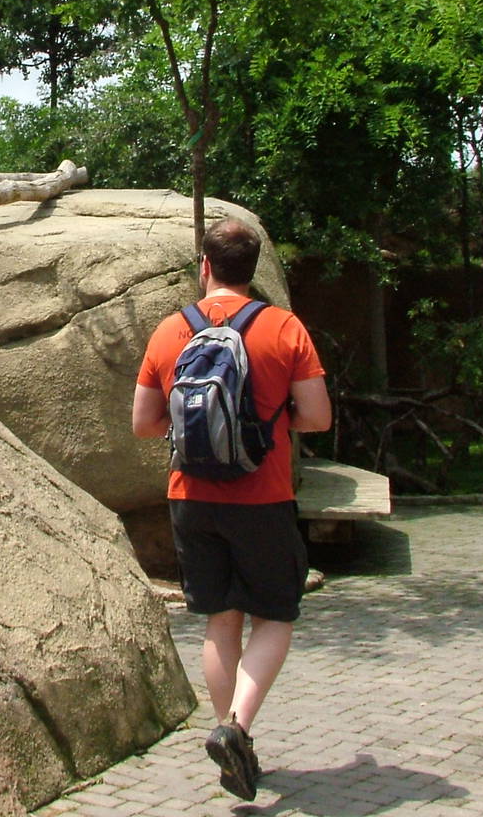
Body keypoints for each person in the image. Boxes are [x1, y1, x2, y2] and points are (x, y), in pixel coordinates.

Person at [131, 218, 331, 801]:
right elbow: (317, 417)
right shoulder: (284, 328)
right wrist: (267, 422)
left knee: (221, 621)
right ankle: (235, 728)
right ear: (254, 267)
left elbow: (144, 424)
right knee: (275, 615)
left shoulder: (171, 331)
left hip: (190, 497)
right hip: (262, 495)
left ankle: (233, 747)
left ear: (205, 266)